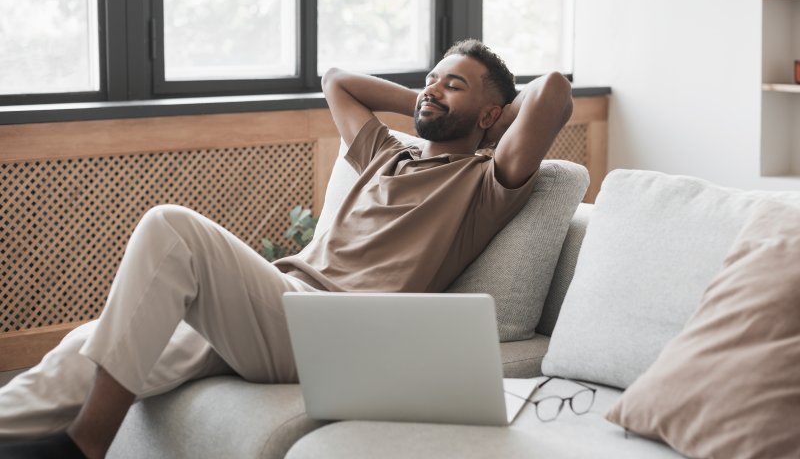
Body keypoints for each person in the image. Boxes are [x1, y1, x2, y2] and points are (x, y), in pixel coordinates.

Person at [0, 39, 573, 458]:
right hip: (277, 303)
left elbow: (553, 91)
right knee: (85, 346)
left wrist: (483, 118)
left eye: (455, 84)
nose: (433, 89)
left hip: (331, 329)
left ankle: (87, 446)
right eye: (432, 77)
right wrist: (431, 99)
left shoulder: (484, 181)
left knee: (171, 227)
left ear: (494, 113)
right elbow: (336, 79)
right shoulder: (385, 154)